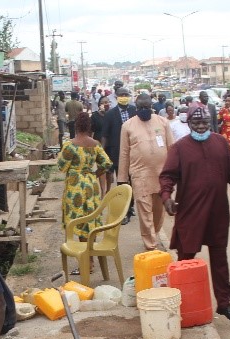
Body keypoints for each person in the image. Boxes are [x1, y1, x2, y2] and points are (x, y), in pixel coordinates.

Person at [158, 104, 230, 322]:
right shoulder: (179, 148)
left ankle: (224, 304)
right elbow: (167, 176)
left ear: (210, 123)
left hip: (217, 213)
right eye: (196, 123)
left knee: (219, 258)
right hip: (190, 212)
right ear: (189, 123)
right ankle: (181, 302)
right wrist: (167, 198)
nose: (201, 127)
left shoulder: (221, 143)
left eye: (204, 122)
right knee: (185, 258)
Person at [58, 112, 113, 273]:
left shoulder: (70, 145)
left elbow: (61, 166)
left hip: (74, 188)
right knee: (90, 222)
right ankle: (90, 258)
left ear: (76, 127)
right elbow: (107, 164)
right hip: (90, 186)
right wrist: (95, 174)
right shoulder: (95, 144)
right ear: (90, 127)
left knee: (78, 222)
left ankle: (85, 261)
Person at [118, 93, 174, 251]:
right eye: (140, 108)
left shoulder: (163, 123)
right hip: (140, 175)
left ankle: (153, 234)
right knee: (144, 211)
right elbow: (124, 153)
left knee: (158, 211)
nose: (144, 110)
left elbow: (172, 148)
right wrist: (122, 178)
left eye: (146, 107)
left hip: (161, 176)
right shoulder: (127, 126)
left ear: (152, 107)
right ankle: (150, 246)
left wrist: (175, 174)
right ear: (136, 109)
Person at [102, 87, 137, 222]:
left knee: (132, 181)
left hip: (134, 152)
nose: (124, 97)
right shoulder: (110, 114)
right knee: (122, 182)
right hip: (117, 154)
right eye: (121, 95)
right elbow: (105, 135)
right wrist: (103, 154)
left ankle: (131, 205)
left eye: (126, 94)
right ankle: (125, 212)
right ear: (116, 97)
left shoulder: (134, 111)